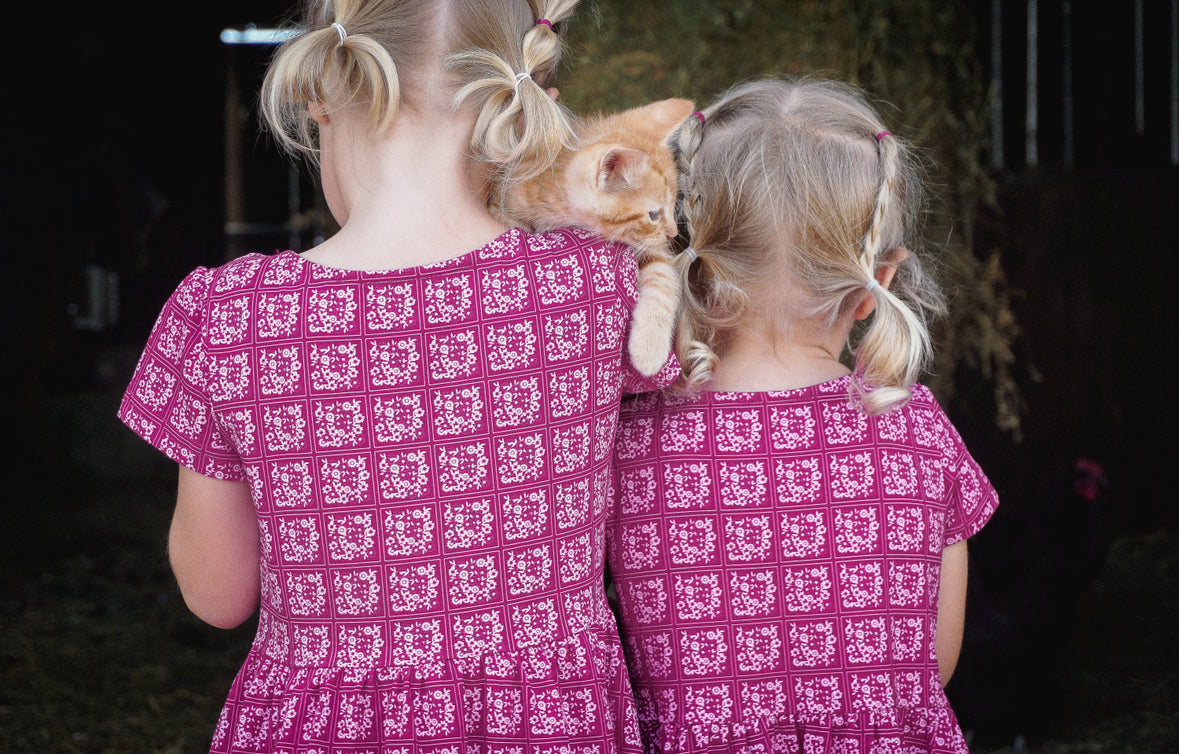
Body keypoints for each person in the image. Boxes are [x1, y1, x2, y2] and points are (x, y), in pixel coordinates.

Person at [118, 1, 678, 751]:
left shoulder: (226, 315)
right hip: (548, 727)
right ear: (517, 99)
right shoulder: (595, 287)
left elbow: (217, 594)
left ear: (321, 88)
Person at [606, 76, 998, 753]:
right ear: (880, 281)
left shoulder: (625, 441)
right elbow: (930, 665)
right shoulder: (915, 431)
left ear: (681, 263)